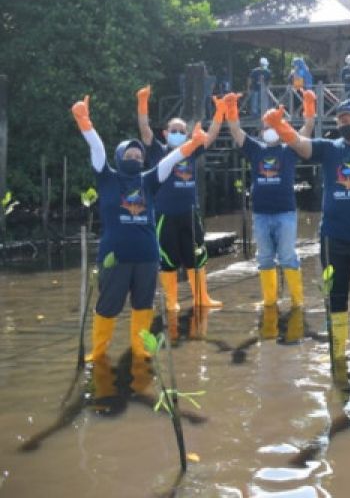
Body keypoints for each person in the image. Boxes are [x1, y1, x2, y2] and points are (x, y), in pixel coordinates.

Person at [72, 96, 206, 362]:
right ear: (119, 157)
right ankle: (99, 351)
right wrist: (84, 121)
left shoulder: (149, 180)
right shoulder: (107, 177)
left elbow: (170, 161)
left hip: (146, 256)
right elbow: (97, 148)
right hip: (115, 256)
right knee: (108, 305)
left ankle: (138, 347)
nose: (134, 157)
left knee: (143, 305)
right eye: (129, 154)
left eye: (138, 155)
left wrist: (192, 143)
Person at [263, 97, 350, 361]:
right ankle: (338, 351)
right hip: (333, 238)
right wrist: (281, 126)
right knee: (336, 296)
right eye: (343, 120)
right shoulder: (328, 148)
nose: (348, 124)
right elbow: (300, 145)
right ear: (337, 123)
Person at [224, 90, 316, 309]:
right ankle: (270, 301)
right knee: (264, 258)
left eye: (273, 126)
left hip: (285, 212)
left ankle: (297, 302)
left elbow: (308, 128)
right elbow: (236, 131)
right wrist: (231, 109)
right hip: (261, 213)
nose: (269, 130)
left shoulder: (290, 148)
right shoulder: (256, 149)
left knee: (287, 256)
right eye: (266, 127)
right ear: (261, 130)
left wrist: (309, 105)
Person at [137, 85, 225, 311]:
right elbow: (145, 129)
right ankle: (171, 301)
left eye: (182, 131)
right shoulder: (158, 150)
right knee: (167, 258)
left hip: (189, 211)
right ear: (166, 133)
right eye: (173, 130)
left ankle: (202, 297)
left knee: (197, 254)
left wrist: (219, 113)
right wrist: (143, 102)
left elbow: (212, 135)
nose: (178, 133)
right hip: (165, 213)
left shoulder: (191, 149)